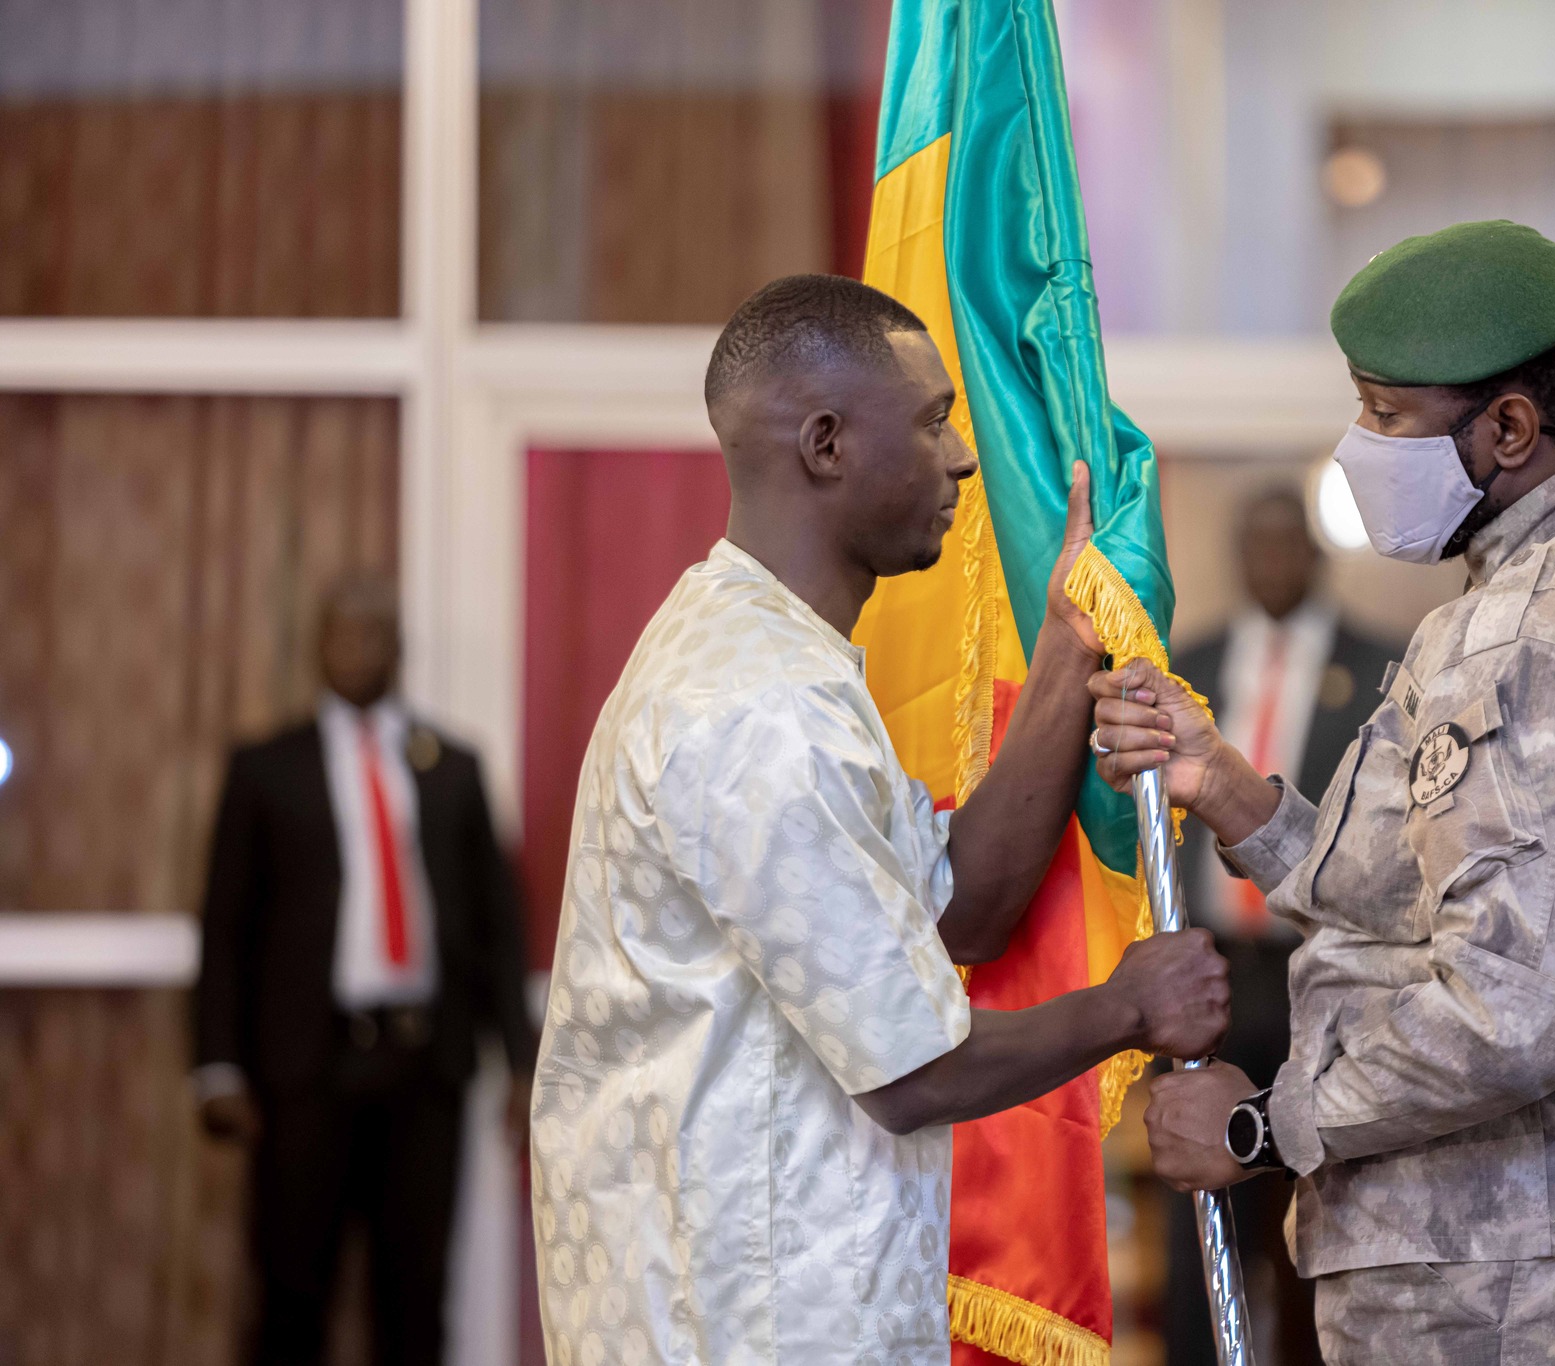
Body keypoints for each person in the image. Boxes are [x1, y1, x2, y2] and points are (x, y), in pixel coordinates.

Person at [528, 274, 1230, 1366]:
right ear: (823, 443)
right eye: (933, 421)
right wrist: (1130, 1004)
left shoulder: (772, 660)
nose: (960, 458)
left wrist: (1063, 651)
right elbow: (913, 1072)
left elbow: (959, 911)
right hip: (742, 1329)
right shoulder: (759, 707)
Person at [1093, 221, 1555, 1364]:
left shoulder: (1554, 634)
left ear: (1508, 428)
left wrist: (1262, 1123)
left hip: (1522, 1273)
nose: (1357, 447)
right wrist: (1221, 785)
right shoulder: (1496, 612)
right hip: (1476, 1254)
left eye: (1387, 415)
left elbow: (1508, 1014)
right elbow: (1396, 889)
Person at [192, 574, 537, 1366]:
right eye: (343, 632)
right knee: (291, 1294)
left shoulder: (451, 767)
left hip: (425, 1068)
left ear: (400, 647)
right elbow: (226, 929)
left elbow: (496, 926)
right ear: (318, 645)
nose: (358, 647)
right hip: (307, 1071)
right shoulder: (266, 769)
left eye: (375, 632)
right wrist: (217, 1066)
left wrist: (520, 1059)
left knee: (415, 1299)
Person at [1165, 488, 1399, 1365]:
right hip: (1217, 969)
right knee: (1200, 1204)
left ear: (1312, 554)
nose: (1268, 562)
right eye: (1251, 546)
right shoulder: (1197, 659)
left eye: (1283, 545)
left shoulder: (1379, 666)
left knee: (1314, 1201)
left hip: (1319, 969)